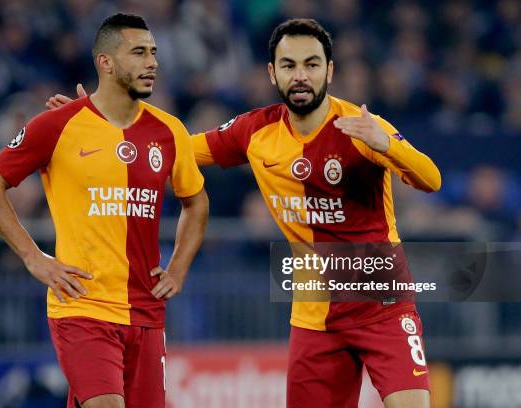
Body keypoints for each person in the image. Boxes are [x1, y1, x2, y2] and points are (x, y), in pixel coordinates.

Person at [48, 18, 440, 408]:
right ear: (272, 73)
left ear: (329, 70)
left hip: (384, 306)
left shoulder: (361, 127)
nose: (300, 75)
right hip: (315, 318)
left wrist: (386, 143)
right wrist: (97, 126)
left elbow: (431, 179)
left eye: (312, 64)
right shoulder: (257, 131)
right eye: (289, 65)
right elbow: (176, 149)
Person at [0, 14, 208, 408]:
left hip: (145, 311)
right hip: (82, 305)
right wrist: (35, 258)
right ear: (106, 62)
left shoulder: (169, 132)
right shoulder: (57, 125)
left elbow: (196, 201)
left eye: (153, 52)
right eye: (138, 53)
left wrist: (179, 266)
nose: (152, 62)